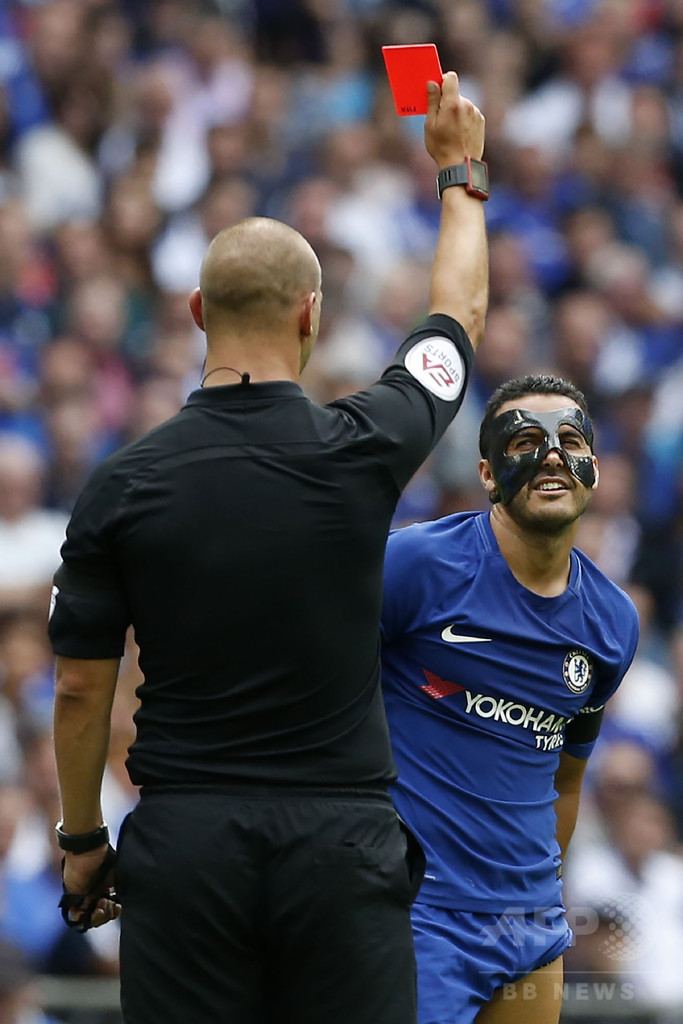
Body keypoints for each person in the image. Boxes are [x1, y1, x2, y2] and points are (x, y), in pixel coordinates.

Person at [48, 72, 488, 1024]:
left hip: (187, 847)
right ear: (310, 315)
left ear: (196, 313)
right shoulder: (365, 445)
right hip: (340, 848)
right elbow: (457, 322)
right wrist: (458, 170)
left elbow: (82, 687)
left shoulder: (121, 485)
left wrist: (83, 843)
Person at [380, 374, 640, 1024]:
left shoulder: (612, 623)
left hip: (530, 930)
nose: (551, 455)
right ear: (488, 474)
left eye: (570, 441)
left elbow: (566, 781)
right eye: (525, 442)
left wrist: (538, 899)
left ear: (593, 468)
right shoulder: (414, 566)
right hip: (417, 916)